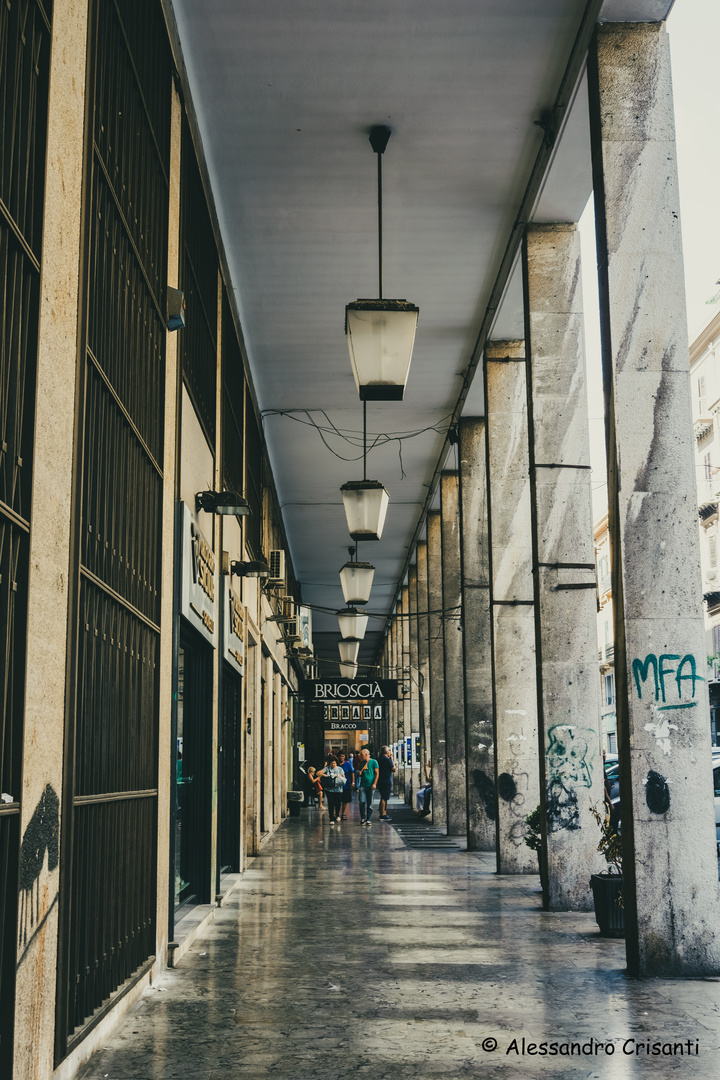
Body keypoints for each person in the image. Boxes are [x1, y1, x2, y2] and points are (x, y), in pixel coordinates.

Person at [315, 755, 346, 825]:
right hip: (330, 789)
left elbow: (344, 778)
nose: (333, 765)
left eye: (334, 763)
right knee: (331, 803)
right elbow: (318, 773)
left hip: (338, 789)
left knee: (338, 803)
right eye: (332, 763)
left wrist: (339, 776)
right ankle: (331, 818)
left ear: (336, 763)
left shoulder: (340, 769)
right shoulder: (327, 768)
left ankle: (337, 815)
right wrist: (325, 775)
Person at [355, 747, 379, 826]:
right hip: (363, 785)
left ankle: (368, 819)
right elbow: (360, 772)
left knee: (370, 803)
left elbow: (377, 773)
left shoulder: (374, 762)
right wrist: (359, 773)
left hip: (371, 785)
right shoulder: (362, 763)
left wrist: (374, 783)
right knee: (362, 801)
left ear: (366, 754)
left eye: (362, 755)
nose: (361, 756)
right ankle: (363, 817)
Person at [377, 745, 396, 821]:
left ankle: (383, 812)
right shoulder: (387, 760)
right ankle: (383, 814)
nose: (390, 752)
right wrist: (392, 759)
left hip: (380, 780)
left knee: (383, 797)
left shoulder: (379, 759)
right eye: (390, 750)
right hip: (386, 780)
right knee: (384, 798)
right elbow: (393, 769)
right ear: (387, 752)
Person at [337, 751, 354, 822]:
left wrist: (353, 782)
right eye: (340, 756)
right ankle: (336, 814)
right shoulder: (336, 764)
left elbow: (352, 773)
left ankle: (343, 813)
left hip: (346, 785)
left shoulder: (347, 764)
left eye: (343, 756)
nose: (341, 757)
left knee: (345, 800)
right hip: (337, 785)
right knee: (337, 800)